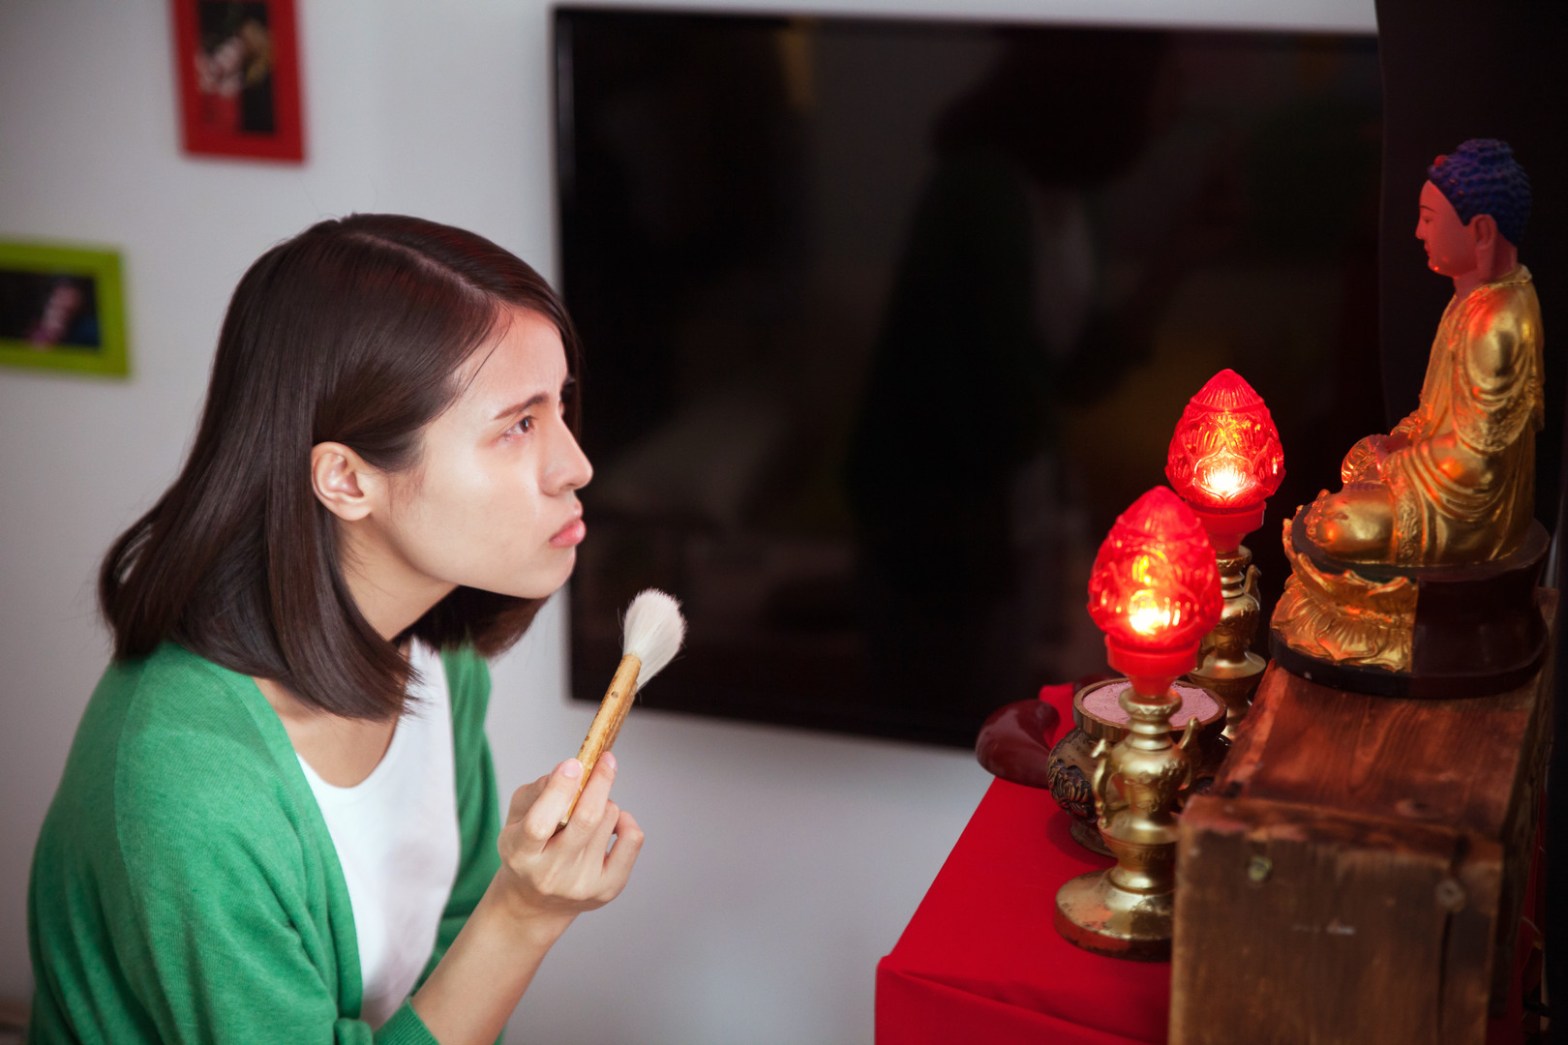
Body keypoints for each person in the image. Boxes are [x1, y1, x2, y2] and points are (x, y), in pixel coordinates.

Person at [27, 214, 643, 1043]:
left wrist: (506, 910)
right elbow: (480, 940)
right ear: (348, 479)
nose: (577, 464)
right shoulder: (187, 786)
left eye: (559, 404)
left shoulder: (437, 660)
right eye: (518, 425)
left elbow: (449, 961)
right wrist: (524, 912)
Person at [1305, 138, 1542, 565]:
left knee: (1338, 525)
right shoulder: (1467, 301)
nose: (1418, 232)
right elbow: (1434, 415)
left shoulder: (1496, 321)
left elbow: (1477, 464)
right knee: (1358, 459)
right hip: (1434, 474)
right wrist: (1398, 442)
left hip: (1472, 517)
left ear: (1481, 232)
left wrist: (1396, 466)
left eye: (1429, 219)